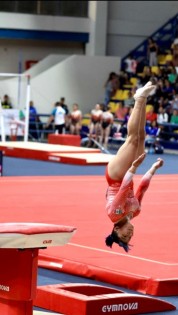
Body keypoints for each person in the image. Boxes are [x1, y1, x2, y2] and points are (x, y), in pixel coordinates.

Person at [105, 81, 164, 252]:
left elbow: (123, 189)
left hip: (115, 177)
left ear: (116, 229)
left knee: (132, 139)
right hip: (128, 174)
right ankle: (143, 98)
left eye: (124, 235)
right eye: (130, 237)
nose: (129, 233)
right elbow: (142, 189)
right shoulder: (135, 213)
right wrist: (153, 169)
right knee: (141, 136)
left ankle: (138, 98)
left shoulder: (114, 215)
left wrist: (134, 168)